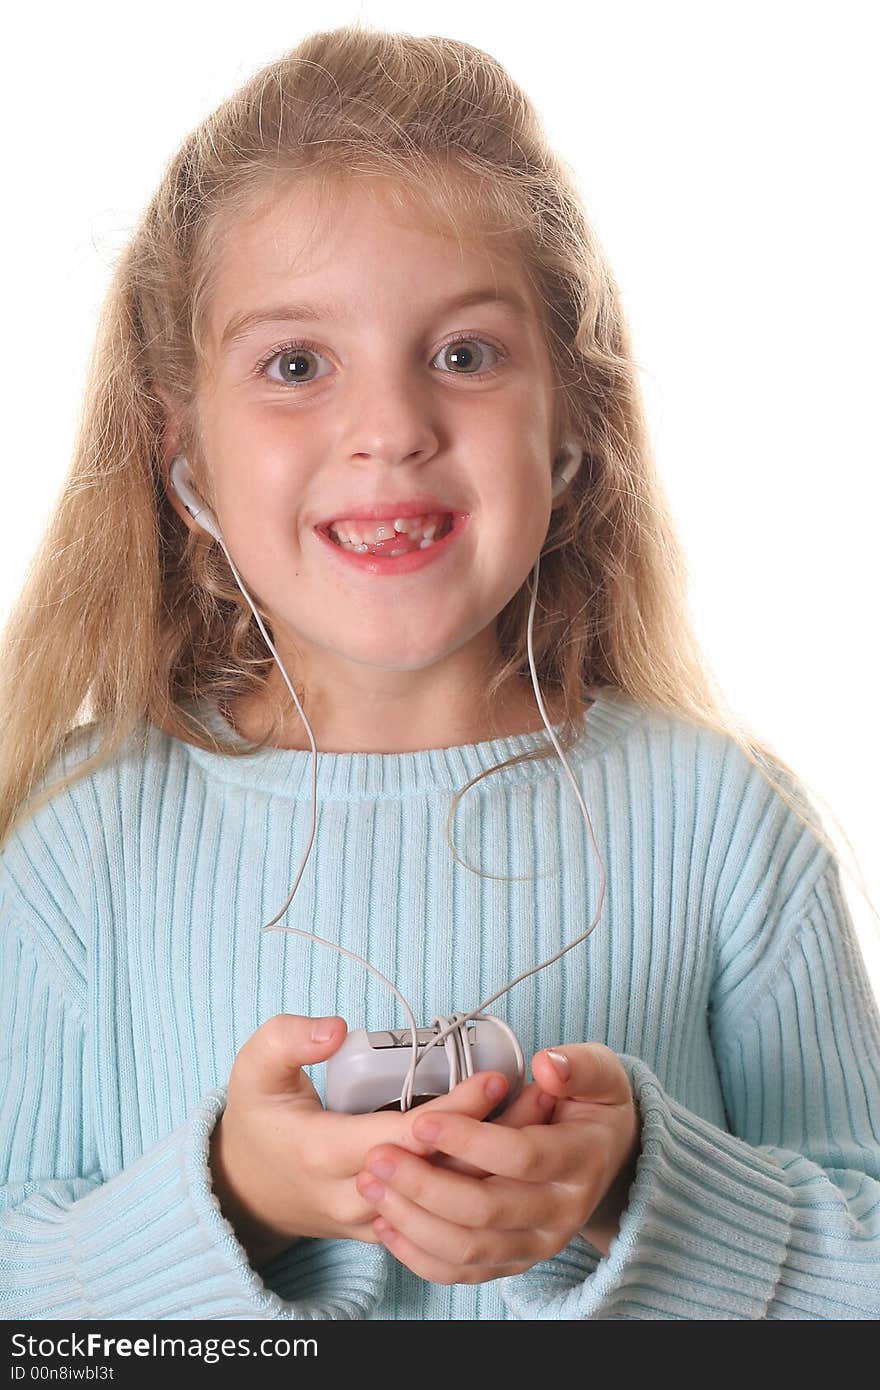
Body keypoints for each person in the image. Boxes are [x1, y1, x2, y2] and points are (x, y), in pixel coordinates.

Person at [1, 24, 878, 1322]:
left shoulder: (727, 823)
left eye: (464, 354)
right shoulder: (79, 841)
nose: (391, 429)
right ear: (181, 447)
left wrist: (634, 1187)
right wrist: (232, 1191)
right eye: (297, 366)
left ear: (569, 420)